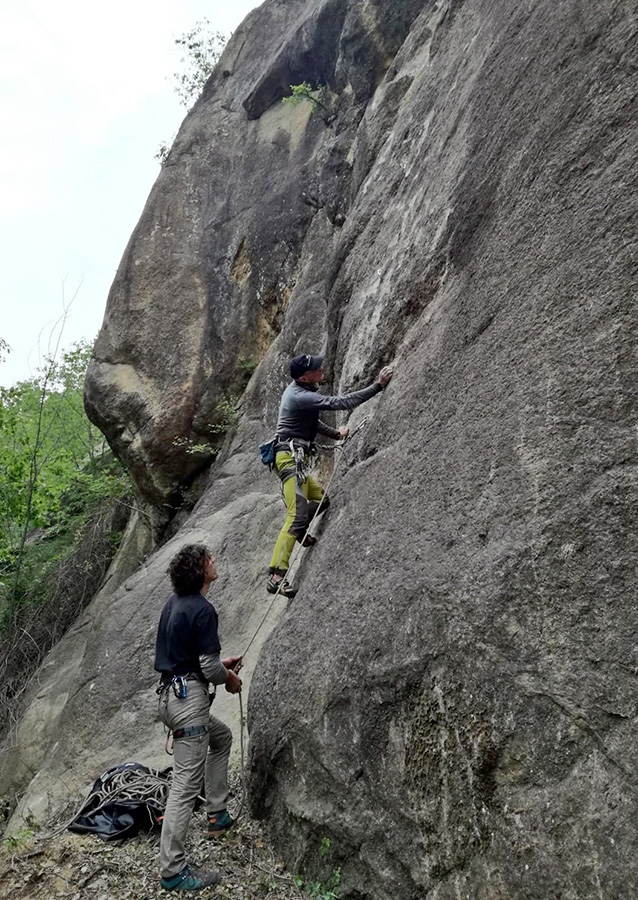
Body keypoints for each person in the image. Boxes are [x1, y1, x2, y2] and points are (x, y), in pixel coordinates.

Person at [154, 543, 242, 892]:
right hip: (189, 701)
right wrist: (230, 679)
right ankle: (173, 872)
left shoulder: (172, 605)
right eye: (209, 559)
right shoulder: (203, 610)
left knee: (221, 739)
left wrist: (222, 666)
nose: (214, 560)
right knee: (183, 788)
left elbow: (193, 658)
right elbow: (206, 666)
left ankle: (217, 815)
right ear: (200, 570)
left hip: (170, 697)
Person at [267, 354, 393, 597]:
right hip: (289, 459)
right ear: (305, 376)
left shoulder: (301, 390)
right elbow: (341, 402)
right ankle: (276, 577)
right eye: (316, 368)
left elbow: (311, 423)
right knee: (295, 516)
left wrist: (336, 434)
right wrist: (378, 386)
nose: (321, 368)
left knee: (322, 501)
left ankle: (301, 532)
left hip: (296, 459)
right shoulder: (300, 395)